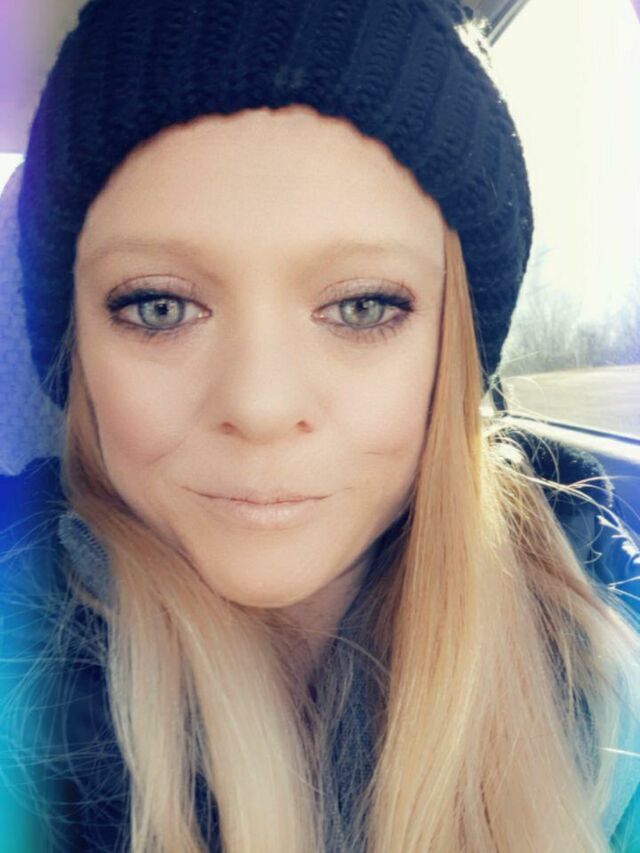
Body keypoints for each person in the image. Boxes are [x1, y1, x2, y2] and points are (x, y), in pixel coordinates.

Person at [1, 0, 640, 850]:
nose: (261, 405)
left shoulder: (612, 669)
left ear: (452, 355)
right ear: (76, 351)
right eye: (159, 306)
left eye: (363, 305)